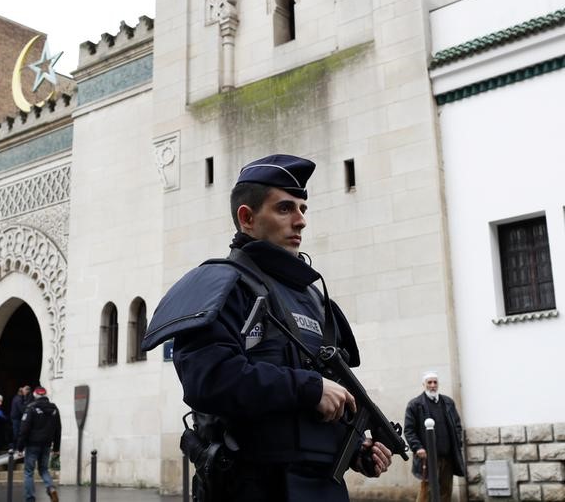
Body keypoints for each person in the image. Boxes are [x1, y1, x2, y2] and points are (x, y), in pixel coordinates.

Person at [141, 154, 392, 501]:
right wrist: (308, 388)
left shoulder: (315, 300)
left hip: (324, 489)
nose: (301, 221)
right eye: (285, 208)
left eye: (303, 209)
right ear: (247, 217)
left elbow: (327, 400)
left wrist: (356, 451)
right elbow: (209, 380)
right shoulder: (222, 286)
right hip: (253, 486)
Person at [404, 371, 465, 502]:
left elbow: (457, 426)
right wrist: (418, 447)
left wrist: (457, 442)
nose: (432, 385)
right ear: (424, 384)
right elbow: (409, 430)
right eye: (429, 382)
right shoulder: (415, 405)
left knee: (446, 491)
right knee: (427, 492)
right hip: (428, 457)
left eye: (435, 382)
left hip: (447, 457)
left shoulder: (448, 403)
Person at [17, 386, 61, 502]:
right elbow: (58, 429)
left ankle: (30, 498)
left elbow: (24, 429)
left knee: (28, 472)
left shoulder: (31, 408)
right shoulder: (54, 408)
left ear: (35, 395)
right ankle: (51, 488)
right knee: (44, 470)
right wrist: (56, 448)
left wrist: (20, 447)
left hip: (32, 445)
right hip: (46, 444)